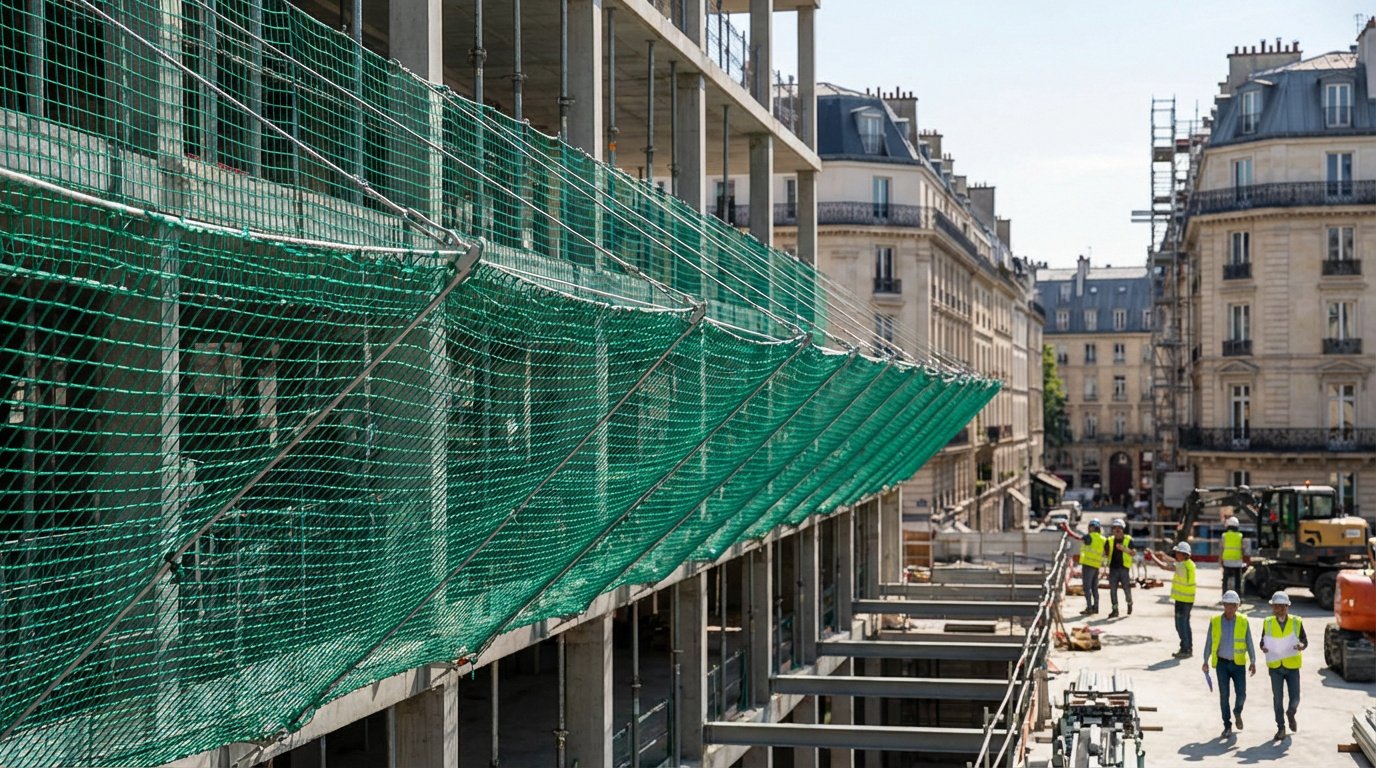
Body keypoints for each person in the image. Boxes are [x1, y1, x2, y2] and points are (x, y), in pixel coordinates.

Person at [1201, 590, 1255, 738]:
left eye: (1233, 606)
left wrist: (1253, 661)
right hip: (1222, 665)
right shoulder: (1215, 621)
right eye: (1227, 605)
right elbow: (1209, 641)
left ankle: (1237, 711)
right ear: (1223, 605)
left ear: (1237, 606)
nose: (1230, 609)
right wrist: (1205, 660)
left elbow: (1249, 641)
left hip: (1238, 665)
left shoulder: (1243, 621)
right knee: (1224, 696)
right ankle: (1227, 725)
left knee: (1241, 694)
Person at [1260, 591, 1308, 741]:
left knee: (1295, 697)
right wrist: (1263, 647)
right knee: (1278, 699)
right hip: (1275, 666)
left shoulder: (1296, 622)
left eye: (1281, 607)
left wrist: (1301, 645)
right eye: (1276, 607)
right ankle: (1281, 727)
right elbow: (1262, 641)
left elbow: (1304, 641)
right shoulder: (1267, 622)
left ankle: (1291, 713)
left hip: (1292, 666)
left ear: (1287, 607)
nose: (1278, 610)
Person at [1147, 541, 1197, 657]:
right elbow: (1174, 562)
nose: (1176, 554)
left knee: (1180, 625)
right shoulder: (1189, 563)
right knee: (1185, 624)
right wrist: (1163, 555)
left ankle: (1185, 649)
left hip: (1183, 600)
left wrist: (1152, 556)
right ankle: (1188, 648)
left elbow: (1164, 566)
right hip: (1187, 599)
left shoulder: (1182, 566)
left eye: (1178, 553)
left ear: (1184, 554)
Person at [1061, 518, 1106, 615]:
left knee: (1087, 588)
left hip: (1088, 565)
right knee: (1094, 588)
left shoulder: (1089, 537)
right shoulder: (1103, 539)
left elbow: (1076, 537)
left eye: (1090, 527)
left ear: (1093, 528)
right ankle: (1096, 607)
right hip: (1096, 565)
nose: (1089, 529)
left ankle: (1089, 608)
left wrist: (1067, 528)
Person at [1103, 519, 1134, 618]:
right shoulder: (1109, 540)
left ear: (1122, 529)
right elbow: (1105, 554)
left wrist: (1124, 549)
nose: (1117, 530)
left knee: (1126, 589)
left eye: (1119, 528)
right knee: (1113, 590)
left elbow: (1133, 553)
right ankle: (1115, 610)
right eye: (1115, 528)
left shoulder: (1128, 539)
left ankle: (1129, 603)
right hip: (1113, 569)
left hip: (1124, 569)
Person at [1220, 516, 1245, 596]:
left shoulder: (1224, 535)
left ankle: (1224, 595)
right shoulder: (1240, 536)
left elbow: (1222, 548)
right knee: (1238, 580)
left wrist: (1220, 559)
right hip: (1237, 561)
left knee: (1225, 580)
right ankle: (1238, 596)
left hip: (1227, 561)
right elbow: (1242, 549)